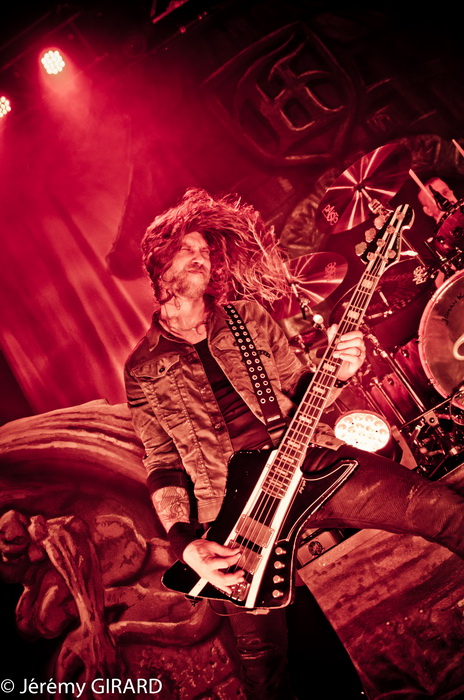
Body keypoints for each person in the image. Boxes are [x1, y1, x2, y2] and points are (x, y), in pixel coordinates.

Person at [125, 188, 464, 700]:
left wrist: (338, 372)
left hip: (309, 460)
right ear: (158, 262)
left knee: (443, 509)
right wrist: (184, 544)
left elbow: (299, 387)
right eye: (187, 249)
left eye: (205, 251)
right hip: (231, 511)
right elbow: (162, 462)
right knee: (263, 668)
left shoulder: (246, 316)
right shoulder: (142, 367)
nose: (201, 258)